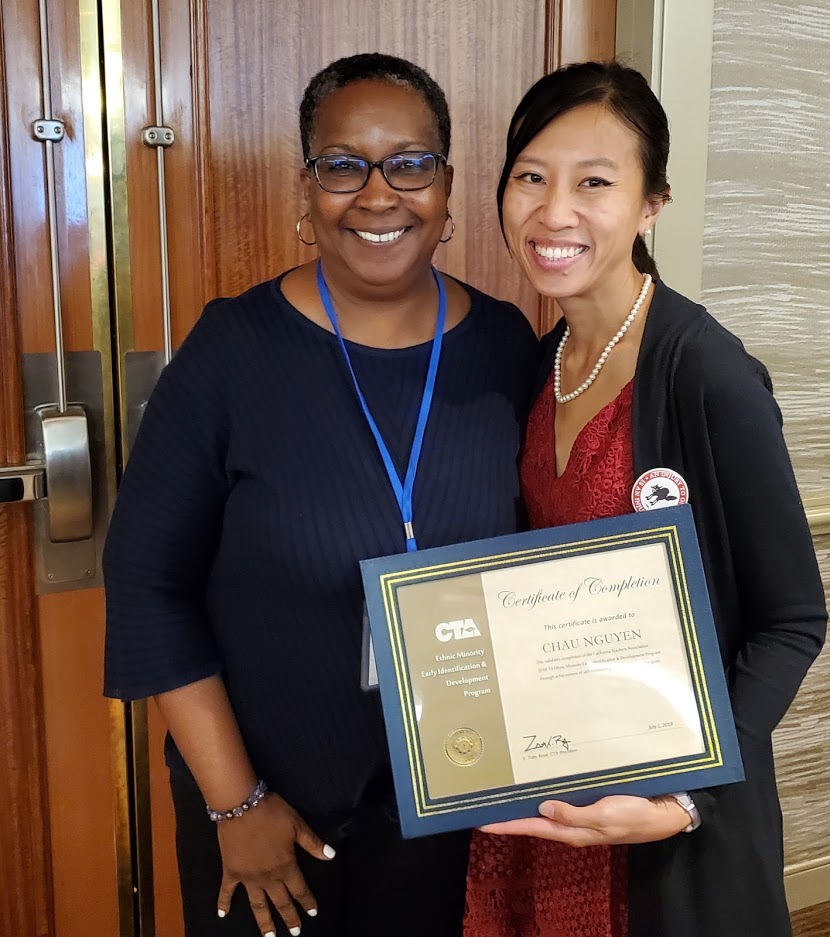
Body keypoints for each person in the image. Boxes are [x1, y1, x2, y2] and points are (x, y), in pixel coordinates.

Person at [103, 53, 539, 937]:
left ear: (448, 187)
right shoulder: (232, 352)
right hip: (266, 813)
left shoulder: (505, 345)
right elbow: (148, 585)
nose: (378, 194)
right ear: (306, 192)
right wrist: (235, 806)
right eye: (343, 165)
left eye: (410, 163)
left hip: (451, 802)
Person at [464, 61, 827, 937]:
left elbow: (791, 620)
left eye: (594, 182)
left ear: (650, 204)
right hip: (546, 790)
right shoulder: (529, 365)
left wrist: (687, 795)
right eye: (530, 177)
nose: (553, 212)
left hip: (657, 814)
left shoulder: (707, 375)